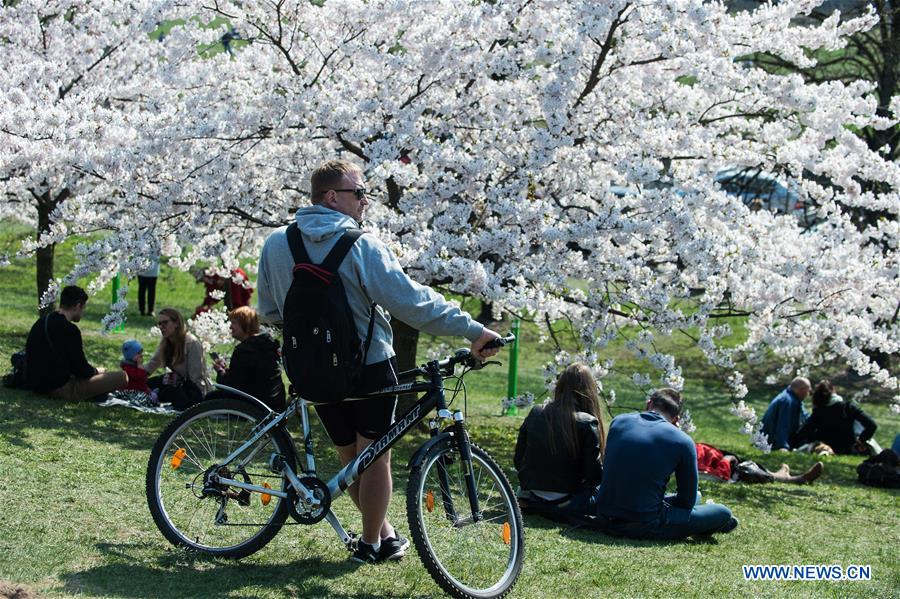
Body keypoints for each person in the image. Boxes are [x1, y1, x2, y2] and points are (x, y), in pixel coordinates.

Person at [257, 159, 501, 564]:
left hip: (310, 370)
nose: (366, 201)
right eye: (359, 193)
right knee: (375, 457)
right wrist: (473, 330)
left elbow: (268, 311)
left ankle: (383, 534)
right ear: (332, 197)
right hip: (367, 369)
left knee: (351, 459)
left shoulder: (277, 244)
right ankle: (371, 544)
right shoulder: (361, 244)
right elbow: (412, 302)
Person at [594, 389, 737, 540]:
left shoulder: (619, 421)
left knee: (696, 496)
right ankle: (706, 525)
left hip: (604, 514)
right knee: (722, 512)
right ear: (676, 419)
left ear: (648, 404)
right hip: (644, 523)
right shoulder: (683, 440)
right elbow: (686, 501)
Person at [514, 363, 605, 522]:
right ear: (589, 391)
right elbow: (594, 476)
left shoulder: (536, 412)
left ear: (560, 386)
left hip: (533, 496)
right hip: (568, 500)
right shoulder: (587, 422)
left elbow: (518, 459)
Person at [24, 285, 128, 401]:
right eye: (83, 308)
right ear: (78, 306)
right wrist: (96, 371)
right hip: (58, 389)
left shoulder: (42, 321)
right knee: (122, 377)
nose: (83, 312)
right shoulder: (70, 330)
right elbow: (81, 370)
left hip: (35, 384)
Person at [209, 306, 286, 412]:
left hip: (254, 405)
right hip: (275, 402)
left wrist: (221, 372)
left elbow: (234, 386)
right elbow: (248, 378)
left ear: (245, 323)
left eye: (233, 323)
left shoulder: (244, 350)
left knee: (209, 398)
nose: (230, 327)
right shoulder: (268, 345)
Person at [143, 308, 212, 410]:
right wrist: (135, 377)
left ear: (176, 324)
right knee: (150, 383)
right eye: (160, 324)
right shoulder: (166, 343)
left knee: (170, 391)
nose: (162, 327)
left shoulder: (191, 343)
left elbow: (196, 377)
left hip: (193, 390)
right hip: (178, 384)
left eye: (165, 323)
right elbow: (152, 364)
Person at [791, 380, 878, 455]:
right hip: (848, 448)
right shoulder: (848, 407)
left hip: (826, 447)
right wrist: (861, 440)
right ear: (833, 391)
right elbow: (871, 425)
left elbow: (805, 431)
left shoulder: (819, 411)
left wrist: (791, 442)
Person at [695, 442, 823, 484]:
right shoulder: (690, 462)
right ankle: (793, 479)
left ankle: (779, 474)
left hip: (717, 455)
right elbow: (719, 475)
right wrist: (727, 460)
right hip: (728, 465)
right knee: (749, 469)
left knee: (746, 462)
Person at [759, 377, 811, 451]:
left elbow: (806, 417)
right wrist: (783, 446)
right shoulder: (787, 401)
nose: (808, 394)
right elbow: (783, 425)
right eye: (808, 391)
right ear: (801, 389)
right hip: (770, 441)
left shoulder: (794, 398)